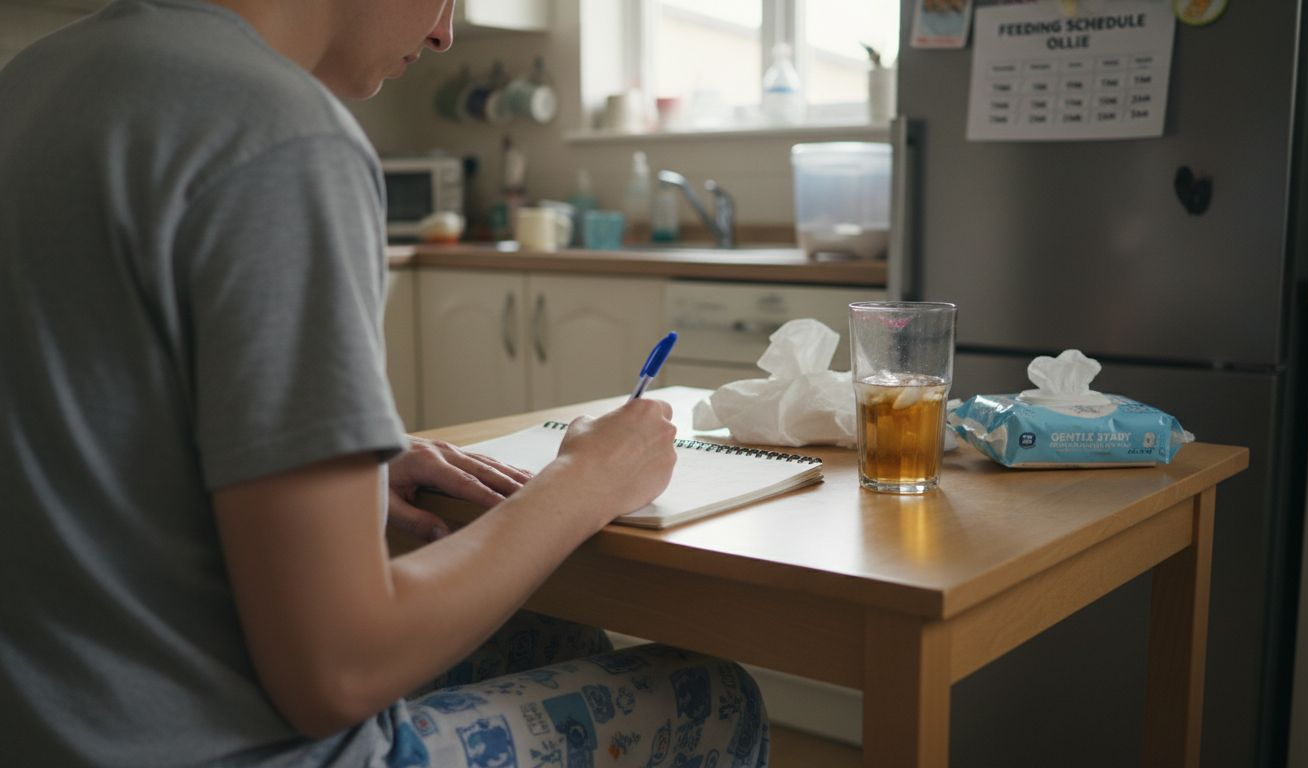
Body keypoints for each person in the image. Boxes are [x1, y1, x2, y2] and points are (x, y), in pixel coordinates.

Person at [0, 1, 769, 765]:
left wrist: (322, 461)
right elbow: (341, 669)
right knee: (713, 697)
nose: (444, 33)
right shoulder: (282, 134)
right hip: (200, 744)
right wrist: (583, 481)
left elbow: (83, 418)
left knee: (557, 642)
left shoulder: (34, 81)